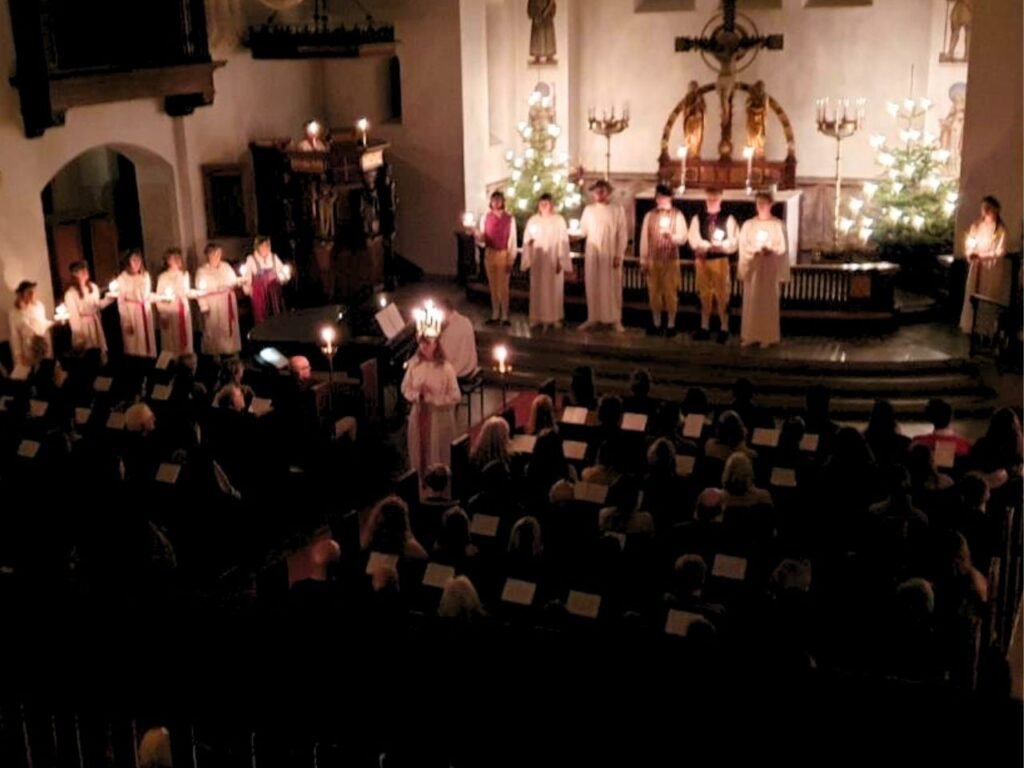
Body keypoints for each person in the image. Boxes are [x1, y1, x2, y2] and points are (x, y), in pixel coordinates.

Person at [401, 327, 460, 481]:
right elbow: (406, 389)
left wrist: (434, 399)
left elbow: (455, 396)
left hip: (439, 417)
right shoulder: (414, 365)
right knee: (419, 451)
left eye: (427, 344)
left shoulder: (446, 368)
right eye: (421, 344)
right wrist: (418, 395)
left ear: (436, 345)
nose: (423, 348)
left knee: (437, 452)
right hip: (419, 414)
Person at [574, 179, 627, 331]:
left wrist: (619, 254)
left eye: (602, 191)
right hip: (593, 253)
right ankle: (593, 317)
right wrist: (570, 234)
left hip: (610, 252)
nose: (599, 194)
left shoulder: (617, 209)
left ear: (608, 192)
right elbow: (583, 231)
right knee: (593, 283)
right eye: (596, 192)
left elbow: (622, 235)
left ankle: (615, 318)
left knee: (611, 285)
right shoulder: (589, 210)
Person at [738, 191, 788, 347]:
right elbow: (744, 245)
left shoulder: (777, 224)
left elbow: (782, 247)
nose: (760, 206)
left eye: (764, 203)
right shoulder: (749, 224)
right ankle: (750, 335)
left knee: (767, 302)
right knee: (751, 301)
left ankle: (767, 336)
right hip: (754, 268)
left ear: (771, 205)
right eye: (758, 203)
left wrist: (770, 249)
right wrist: (755, 250)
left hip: (769, 269)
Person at [687, 188, 738, 341]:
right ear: (705, 199)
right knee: (704, 293)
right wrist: (706, 246)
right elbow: (693, 237)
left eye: (715, 199)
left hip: (720, 260)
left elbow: (735, 240)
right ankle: (704, 326)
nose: (712, 201)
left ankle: (724, 327)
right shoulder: (698, 218)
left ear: (721, 200)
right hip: (702, 261)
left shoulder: (728, 218)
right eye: (709, 199)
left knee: (722, 293)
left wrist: (722, 245)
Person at [639, 184, 687, 336]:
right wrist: (643, 259)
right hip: (653, 259)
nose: (660, 200)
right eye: (658, 197)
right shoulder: (650, 215)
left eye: (663, 197)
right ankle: (656, 322)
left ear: (670, 198)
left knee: (670, 292)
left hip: (670, 260)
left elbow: (683, 238)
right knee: (654, 293)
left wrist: (671, 236)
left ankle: (671, 324)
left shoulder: (677, 215)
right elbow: (644, 240)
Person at [959, 195, 1009, 336]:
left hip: (991, 269)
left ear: (995, 210)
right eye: (984, 208)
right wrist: (970, 253)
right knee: (973, 293)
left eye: (989, 208)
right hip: (977, 266)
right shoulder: (976, 226)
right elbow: (970, 241)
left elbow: (1001, 251)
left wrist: (984, 255)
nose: (985, 211)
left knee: (988, 296)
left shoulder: (1000, 230)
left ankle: (985, 329)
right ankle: (970, 325)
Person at [522, 193, 572, 329]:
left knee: (553, 289)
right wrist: (529, 244)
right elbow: (527, 240)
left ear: (551, 205)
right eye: (541, 203)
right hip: (538, 261)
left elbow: (563, 241)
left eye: (546, 203)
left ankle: (554, 317)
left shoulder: (558, 220)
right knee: (537, 289)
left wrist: (560, 260)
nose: (544, 206)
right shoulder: (533, 221)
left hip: (552, 260)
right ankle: (537, 317)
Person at [473, 191, 517, 325]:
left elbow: (512, 240)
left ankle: (504, 315)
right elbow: (482, 238)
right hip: (490, 253)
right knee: (493, 286)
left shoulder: (509, 219)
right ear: (491, 202)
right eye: (494, 200)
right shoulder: (485, 218)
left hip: (503, 253)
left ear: (503, 201)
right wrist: (475, 234)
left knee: (503, 286)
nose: (496, 202)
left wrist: (510, 259)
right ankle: (495, 313)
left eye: (499, 200)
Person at [195, 243, 242, 356]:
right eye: (214, 254)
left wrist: (239, 281)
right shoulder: (202, 271)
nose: (217, 256)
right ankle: (215, 353)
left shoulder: (226, 267)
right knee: (213, 328)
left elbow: (233, 280)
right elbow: (200, 290)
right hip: (213, 304)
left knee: (230, 326)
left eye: (219, 254)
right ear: (208, 255)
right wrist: (204, 306)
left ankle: (231, 351)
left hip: (227, 302)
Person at [64, 261, 115, 356]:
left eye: (86, 269)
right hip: (84, 327)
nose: (85, 271)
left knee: (99, 351)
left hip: (95, 323)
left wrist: (110, 298)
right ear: (75, 274)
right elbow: (74, 318)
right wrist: (79, 336)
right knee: (89, 353)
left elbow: (97, 305)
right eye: (81, 270)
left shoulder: (93, 287)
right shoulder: (71, 294)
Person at [116, 249, 157, 358]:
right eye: (134, 260)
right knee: (134, 343)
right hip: (132, 313)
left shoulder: (145, 276)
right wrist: (126, 322)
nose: (137, 263)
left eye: (139, 260)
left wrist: (162, 297)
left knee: (147, 340)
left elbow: (148, 295)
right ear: (128, 262)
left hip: (145, 312)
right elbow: (121, 302)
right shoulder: (123, 278)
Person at [155, 247, 194, 356]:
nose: (175, 260)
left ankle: (186, 358)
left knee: (184, 336)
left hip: (182, 309)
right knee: (170, 339)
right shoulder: (162, 277)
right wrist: (163, 314)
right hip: (169, 310)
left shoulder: (184, 274)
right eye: (172, 258)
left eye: (177, 257)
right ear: (167, 261)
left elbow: (186, 291)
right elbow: (159, 297)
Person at [243, 236, 290, 324]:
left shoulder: (274, 257)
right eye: (263, 246)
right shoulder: (251, 259)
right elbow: (247, 277)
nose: (265, 248)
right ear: (257, 247)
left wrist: (284, 277)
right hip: (260, 293)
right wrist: (249, 290)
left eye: (267, 246)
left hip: (274, 292)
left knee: (275, 312)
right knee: (261, 315)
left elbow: (282, 271)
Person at [8, 280, 54, 367]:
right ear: (21, 294)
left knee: (46, 368)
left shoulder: (39, 306)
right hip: (28, 348)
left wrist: (53, 322)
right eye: (29, 292)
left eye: (33, 291)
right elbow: (15, 336)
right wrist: (19, 354)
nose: (32, 294)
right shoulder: (14, 313)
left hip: (43, 344)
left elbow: (42, 323)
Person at [437, 297, 479, 378]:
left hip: (459, 370)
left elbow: (446, 356)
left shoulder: (450, 330)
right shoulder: (466, 320)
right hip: (470, 365)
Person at [527, 0, 557, 64]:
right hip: (537, 16)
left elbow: (552, 3)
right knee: (537, 37)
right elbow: (531, 3)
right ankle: (537, 56)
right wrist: (533, 15)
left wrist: (548, 11)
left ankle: (549, 56)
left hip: (547, 18)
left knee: (548, 36)